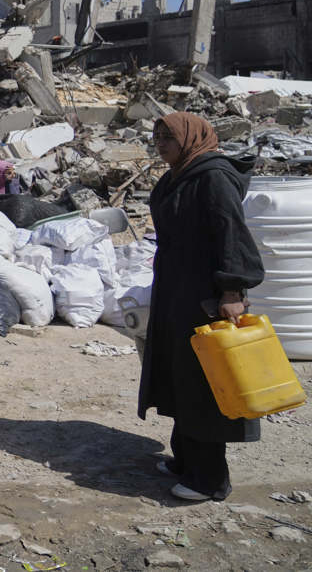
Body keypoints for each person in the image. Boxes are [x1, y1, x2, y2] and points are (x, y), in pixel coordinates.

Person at [140, 112, 264, 502]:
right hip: (178, 292)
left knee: (205, 384)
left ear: (191, 138)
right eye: (157, 136)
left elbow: (231, 235)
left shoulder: (212, 176)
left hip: (207, 296)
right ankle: (186, 459)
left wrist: (231, 292)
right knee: (181, 374)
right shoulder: (179, 173)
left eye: (168, 137)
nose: (160, 144)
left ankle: (210, 478)